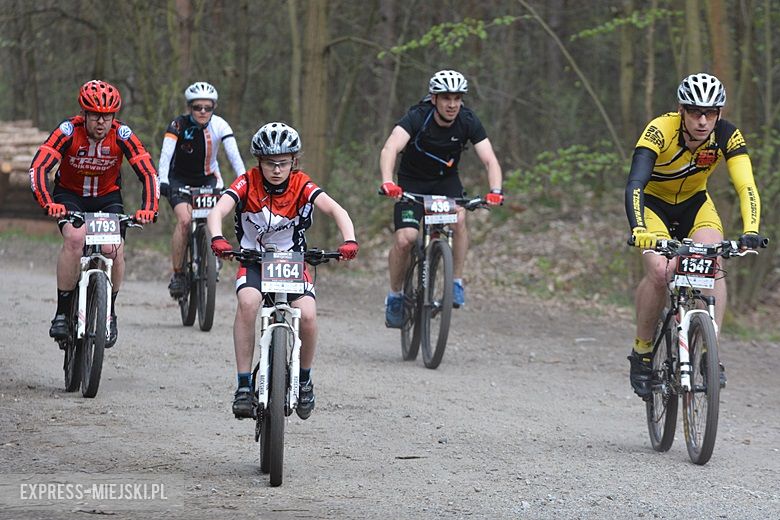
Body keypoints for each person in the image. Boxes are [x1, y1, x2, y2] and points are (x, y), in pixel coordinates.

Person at [206, 122, 358, 420]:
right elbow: (218, 211)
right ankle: (243, 385)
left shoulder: (302, 184)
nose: (277, 169)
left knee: (309, 315)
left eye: (283, 163)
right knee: (248, 303)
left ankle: (304, 380)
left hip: (291, 262)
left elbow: (336, 209)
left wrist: (349, 239)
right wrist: (217, 237)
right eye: (269, 163)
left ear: (294, 162)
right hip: (252, 259)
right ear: (258, 162)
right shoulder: (246, 182)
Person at [625, 72, 763, 398]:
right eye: (694, 112)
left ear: (719, 113)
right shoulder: (660, 130)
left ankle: (708, 352)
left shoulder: (727, 135)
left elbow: (746, 186)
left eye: (711, 113)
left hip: (696, 205)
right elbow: (635, 184)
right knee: (660, 273)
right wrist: (639, 230)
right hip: (654, 207)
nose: (702, 121)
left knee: (712, 262)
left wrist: (751, 231)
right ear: (681, 110)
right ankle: (642, 352)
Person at [30, 79, 158, 348]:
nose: (102, 123)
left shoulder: (122, 134)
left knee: (114, 249)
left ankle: (109, 312)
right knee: (75, 239)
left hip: (107, 197)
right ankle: (63, 313)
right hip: (70, 196)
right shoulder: (68, 131)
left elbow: (147, 171)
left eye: (107, 116)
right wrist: (47, 202)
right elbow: (39, 166)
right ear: (84, 114)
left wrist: (149, 209)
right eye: (96, 116)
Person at [379, 69, 503, 328]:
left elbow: (490, 158)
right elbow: (391, 147)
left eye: (457, 98)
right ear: (434, 99)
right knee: (406, 239)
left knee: (459, 219)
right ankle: (395, 295)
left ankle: (455, 280)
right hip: (411, 184)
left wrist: (496, 190)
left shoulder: (468, 120)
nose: (452, 104)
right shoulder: (417, 117)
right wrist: (388, 181)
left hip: (445, 184)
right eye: (446, 98)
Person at [158, 81, 246, 298]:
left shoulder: (221, 125)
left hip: (208, 179)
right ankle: (178, 274)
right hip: (179, 179)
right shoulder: (178, 125)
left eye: (208, 107)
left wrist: (245, 181)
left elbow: (234, 157)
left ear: (214, 108)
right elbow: (165, 156)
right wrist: (163, 181)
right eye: (198, 107)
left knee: (214, 216)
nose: (203, 112)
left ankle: (212, 255)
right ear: (190, 108)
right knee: (185, 220)